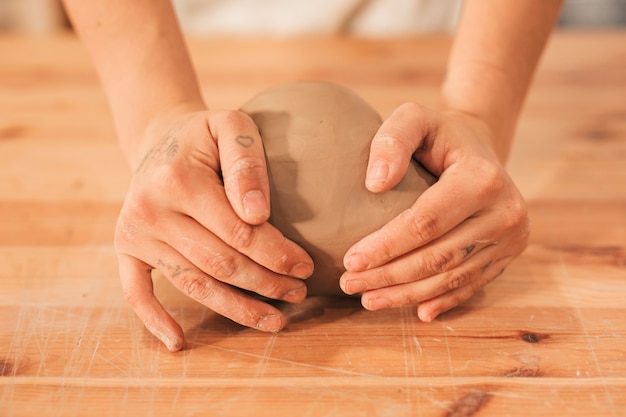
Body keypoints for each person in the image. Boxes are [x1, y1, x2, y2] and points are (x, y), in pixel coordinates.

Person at [61, 0, 563, 351]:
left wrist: (479, 115)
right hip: (195, 28)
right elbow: (160, 123)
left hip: (434, 27)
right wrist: (159, 119)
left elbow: (474, 126)